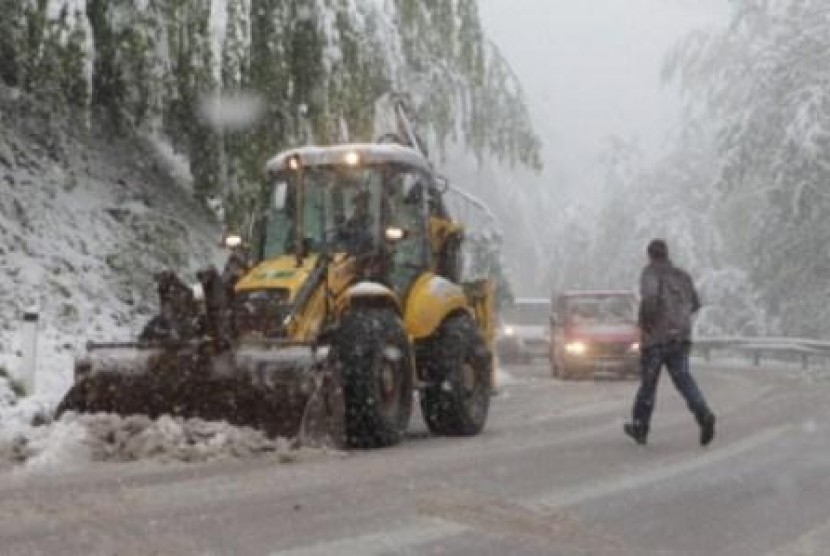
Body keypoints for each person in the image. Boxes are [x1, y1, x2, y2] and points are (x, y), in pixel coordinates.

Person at [624, 239, 716, 446]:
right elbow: (695, 303)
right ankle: (703, 414)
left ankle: (640, 427)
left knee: (648, 384)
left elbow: (649, 300)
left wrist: (645, 323)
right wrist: (679, 321)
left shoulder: (650, 273)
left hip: (656, 339)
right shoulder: (682, 276)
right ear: (666, 254)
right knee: (684, 380)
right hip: (680, 338)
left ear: (650, 255)